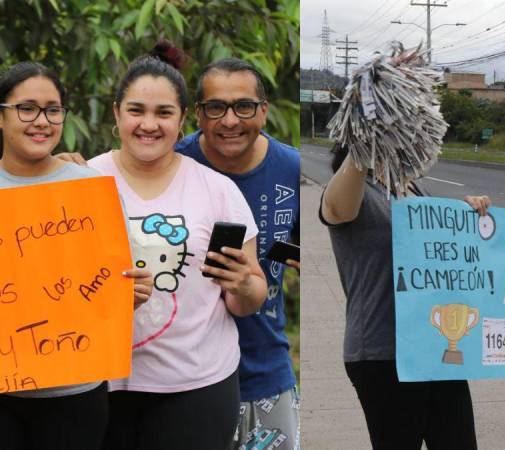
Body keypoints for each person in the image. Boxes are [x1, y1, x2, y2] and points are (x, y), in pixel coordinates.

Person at [86, 42, 267, 450]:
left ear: (183, 119)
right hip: (98, 386)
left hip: (196, 387)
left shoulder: (219, 192)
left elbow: (249, 297)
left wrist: (243, 285)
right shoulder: (80, 182)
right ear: (117, 113)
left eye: (163, 113)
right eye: (137, 110)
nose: (149, 124)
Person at [0, 62, 152, 450]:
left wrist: (131, 294)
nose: (41, 121)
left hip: (76, 393)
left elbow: (113, 284)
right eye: (26, 108)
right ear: (1, 116)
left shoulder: (91, 190)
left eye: (53, 110)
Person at [319, 143, 490, 450]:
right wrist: (365, 133)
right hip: (382, 354)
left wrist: (464, 217)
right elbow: (335, 209)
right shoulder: (356, 189)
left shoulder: (412, 187)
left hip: (433, 347)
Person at [175, 58, 300, 449]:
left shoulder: (291, 168)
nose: (230, 120)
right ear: (198, 113)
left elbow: (314, 240)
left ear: (264, 110)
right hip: (183, 378)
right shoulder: (171, 164)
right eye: (216, 107)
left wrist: (288, 254)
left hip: (266, 369)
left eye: (243, 106)